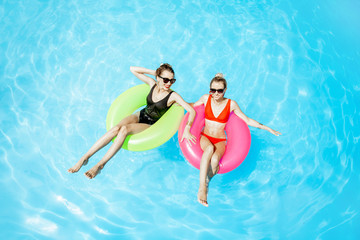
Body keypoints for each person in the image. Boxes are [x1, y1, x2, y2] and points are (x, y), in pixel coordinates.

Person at [68, 63, 196, 179]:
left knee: (124, 129)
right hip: (139, 115)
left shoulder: (173, 96)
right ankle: (85, 157)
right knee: (115, 129)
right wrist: (155, 72)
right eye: (166, 80)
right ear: (158, 78)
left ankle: (100, 165)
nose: (169, 83)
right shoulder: (152, 84)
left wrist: (187, 128)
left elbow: (191, 110)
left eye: (172, 80)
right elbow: (133, 69)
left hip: (149, 124)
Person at [192, 73, 281, 207]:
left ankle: (207, 180)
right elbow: (192, 105)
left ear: (225, 90)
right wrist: (176, 102)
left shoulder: (231, 104)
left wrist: (267, 128)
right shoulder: (205, 99)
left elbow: (247, 120)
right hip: (205, 136)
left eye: (220, 90)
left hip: (220, 139)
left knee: (215, 160)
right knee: (209, 149)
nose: (216, 94)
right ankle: (202, 188)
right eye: (213, 90)